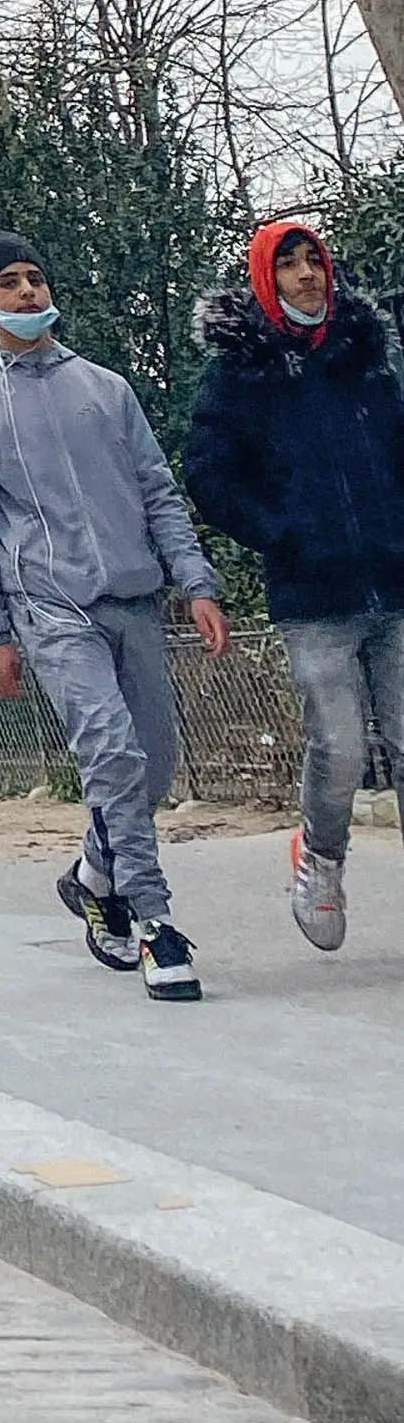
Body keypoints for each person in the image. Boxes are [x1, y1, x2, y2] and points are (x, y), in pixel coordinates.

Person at [0, 232, 228, 999]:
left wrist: (195, 581)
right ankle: (154, 922)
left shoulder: (105, 388)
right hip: (50, 606)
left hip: (134, 597)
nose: (26, 291)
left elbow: (157, 490)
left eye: (34, 276)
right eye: (8, 281)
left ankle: (94, 873)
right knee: (110, 753)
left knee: (152, 764)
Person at [183, 216, 404, 954]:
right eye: (289, 264)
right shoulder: (239, 374)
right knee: (339, 747)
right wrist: (283, 531)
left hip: (393, 580)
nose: (307, 274)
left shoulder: (366, 356)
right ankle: (321, 859)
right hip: (313, 596)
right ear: (264, 279)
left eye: (314, 260)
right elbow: (208, 475)